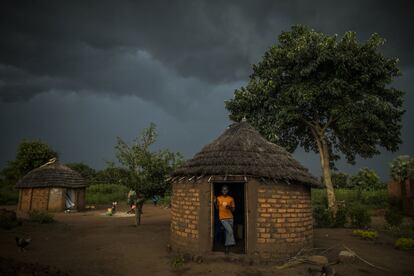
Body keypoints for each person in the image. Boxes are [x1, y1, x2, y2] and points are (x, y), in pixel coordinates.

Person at [214, 185, 236, 254]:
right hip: (222, 218)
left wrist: (229, 207)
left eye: (226, 190)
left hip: (230, 218)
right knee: (230, 231)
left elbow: (233, 209)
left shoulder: (231, 199)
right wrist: (215, 202)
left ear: (228, 191)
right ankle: (232, 242)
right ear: (221, 191)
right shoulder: (219, 198)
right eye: (223, 190)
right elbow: (217, 208)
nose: (224, 191)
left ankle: (227, 248)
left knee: (227, 232)